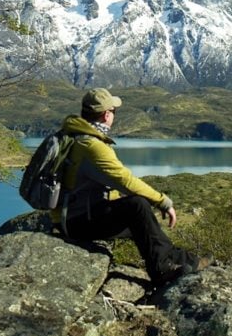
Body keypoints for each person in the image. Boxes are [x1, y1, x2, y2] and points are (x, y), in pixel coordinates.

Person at [53, 87, 201, 286]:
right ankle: (162, 270)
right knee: (137, 206)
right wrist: (163, 201)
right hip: (77, 222)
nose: (113, 115)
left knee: (144, 223)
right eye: (114, 111)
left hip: (69, 218)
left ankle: (184, 261)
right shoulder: (91, 145)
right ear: (106, 115)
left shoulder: (72, 135)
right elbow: (125, 180)